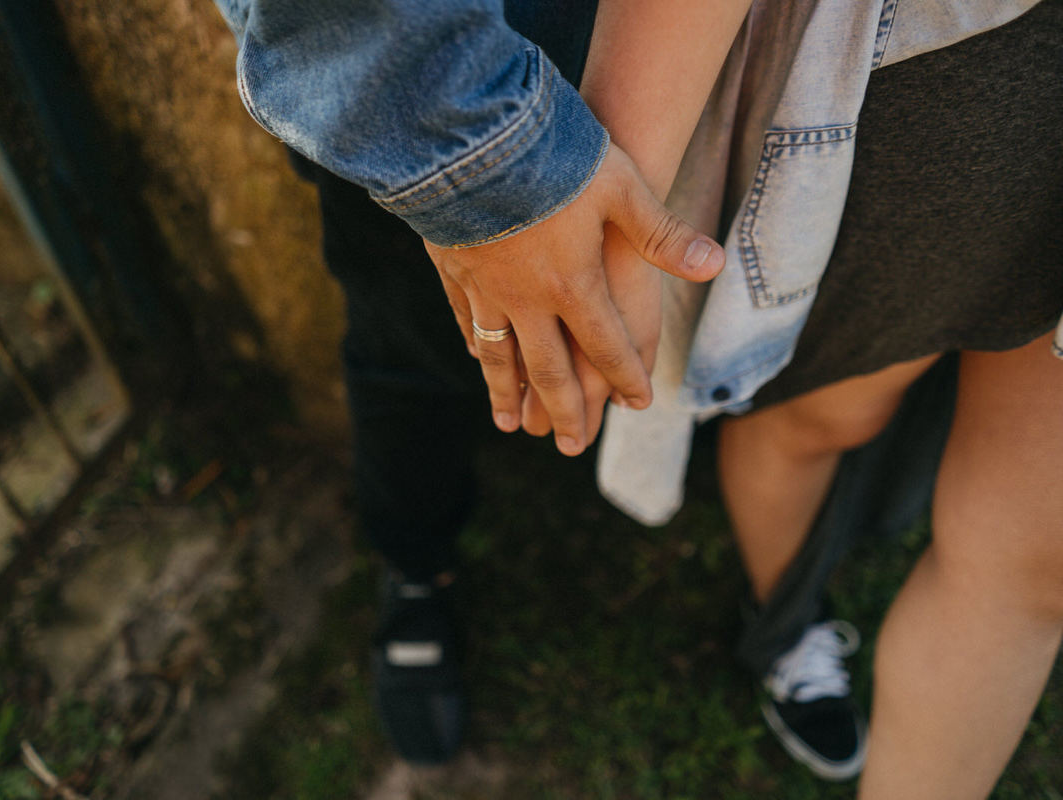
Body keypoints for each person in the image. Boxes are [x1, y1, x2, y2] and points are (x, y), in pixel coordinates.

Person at [214, 0, 1063, 794]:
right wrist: (479, 169)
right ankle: (416, 564)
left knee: (604, 328)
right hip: (411, 48)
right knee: (417, 340)